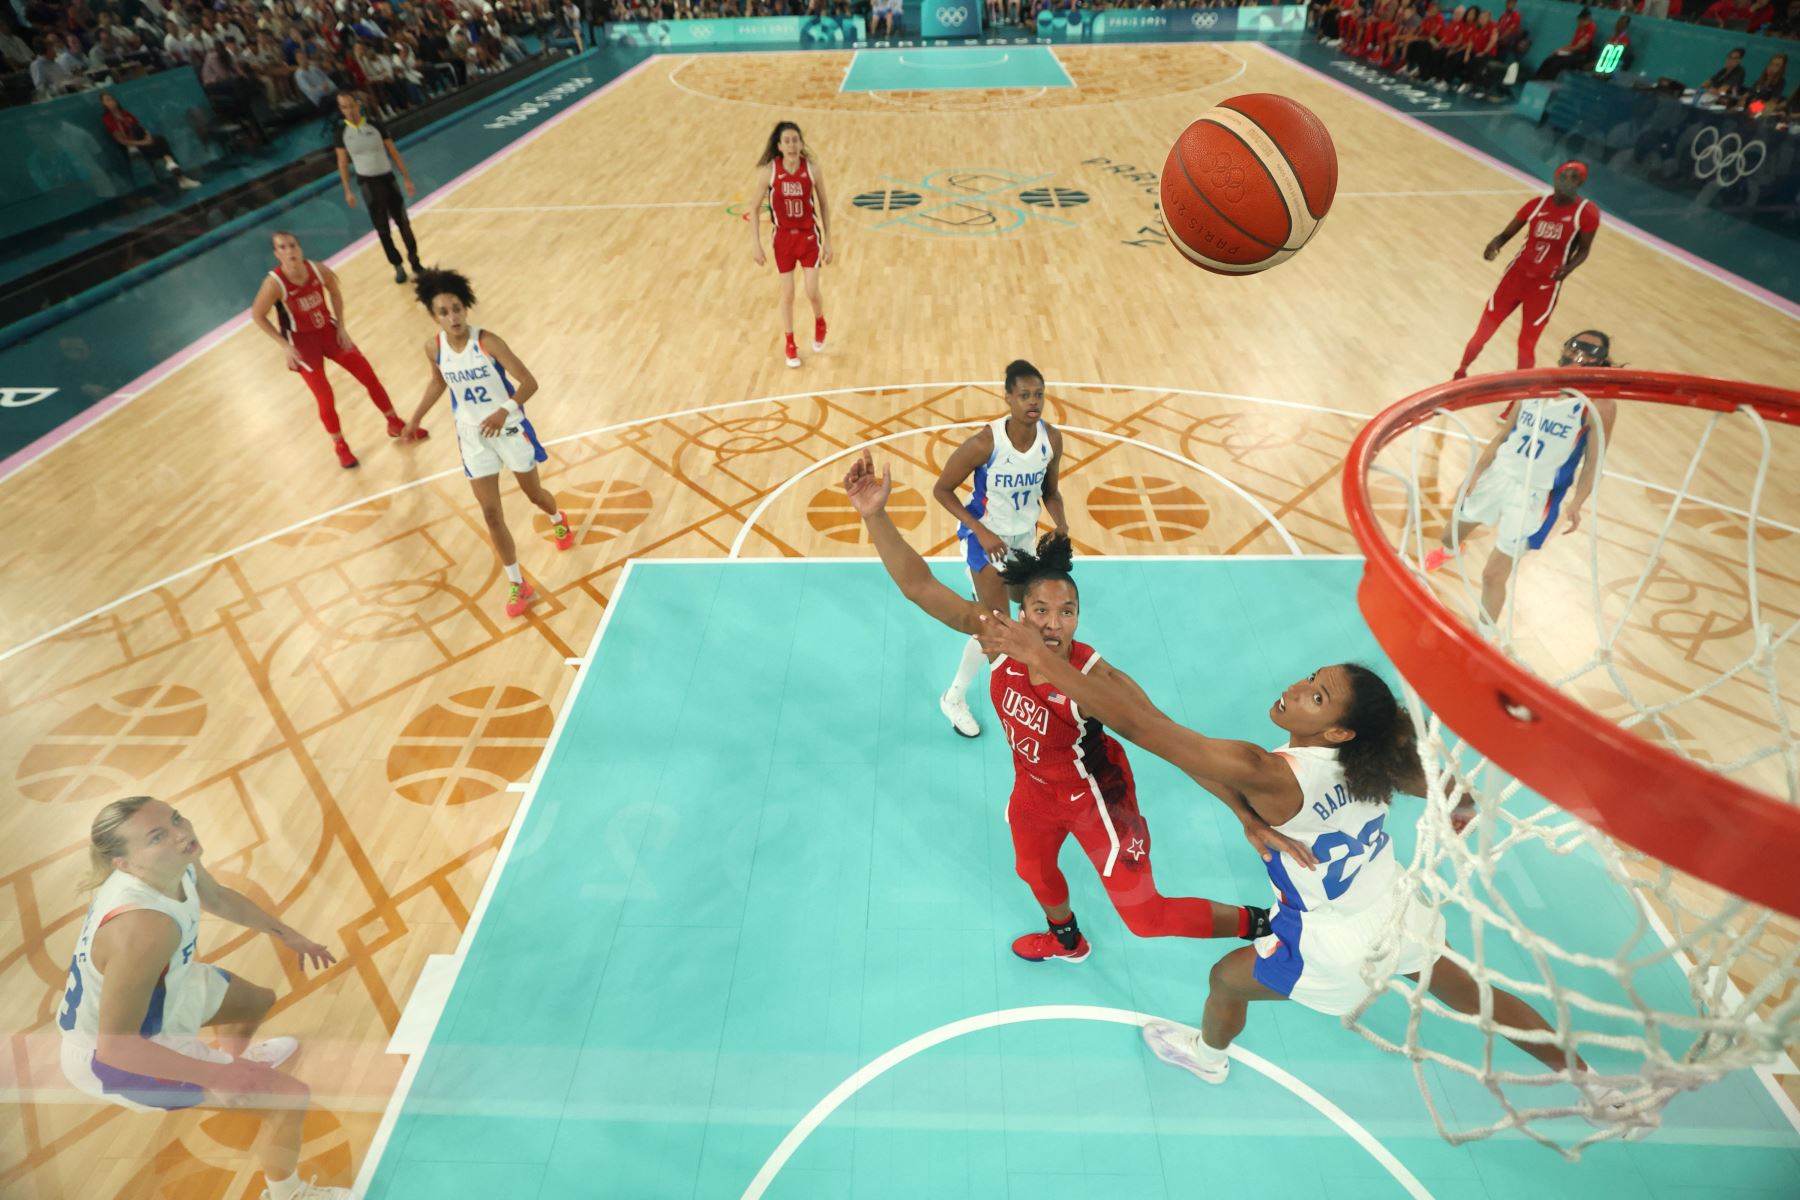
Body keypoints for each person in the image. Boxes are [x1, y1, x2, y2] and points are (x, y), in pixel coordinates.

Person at [970, 617, 1655, 1135]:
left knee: (1224, 981)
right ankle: (1594, 1085)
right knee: (1476, 996)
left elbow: (1149, 731)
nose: (1298, 690)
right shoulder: (1381, 762)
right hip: (1393, 908)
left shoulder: (1271, 773)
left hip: (1330, 942)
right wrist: (1462, 802)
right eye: (1311, 679)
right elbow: (1449, 791)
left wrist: (1038, 658)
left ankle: (1208, 1057)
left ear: (1334, 733)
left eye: (1317, 696)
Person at [844, 449, 1277, 963]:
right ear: (1020, 612)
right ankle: (1067, 941)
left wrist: (1245, 814)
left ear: (1078, 617)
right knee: (1033, 871)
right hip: (1033, 790)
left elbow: (1183, 748)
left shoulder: (1101, 682)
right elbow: (918, 586)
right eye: (1042, 610)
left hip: (1097, 797)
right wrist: (875, 516)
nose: (1053, 623)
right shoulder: (997, 636)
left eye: (1067, 612)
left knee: (1146, 919)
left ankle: (1267, 922)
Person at [56, 796, 356, 1200]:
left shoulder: (177, 861)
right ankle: (288, 1194)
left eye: (176, 819)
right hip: (117, 1056)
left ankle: (235, 1068)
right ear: (124, 864)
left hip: (169, 989)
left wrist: (289, 936)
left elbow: (218, 897)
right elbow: (116, 1047)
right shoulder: (143, 928)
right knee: (290, 1098)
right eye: (158, 836)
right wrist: (215, 1076)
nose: (181, 834)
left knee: (255, 1002)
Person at [401, 269, 576, 619]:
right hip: (472, 438)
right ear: (434, 316)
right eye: (444, 312)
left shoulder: (488, 342)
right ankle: (518, 583)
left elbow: (528, 382)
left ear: (466, 308)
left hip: (509, 429)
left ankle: (558, 516)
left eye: (457, 309)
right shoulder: (433, 348)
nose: (452, 317)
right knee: (491, 513)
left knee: (534, 495)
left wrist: (503, 410)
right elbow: (438, 384)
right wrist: (415, 417)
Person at [1427, 332, 1619, 622]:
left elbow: (1594, 462)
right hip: (1498, 475)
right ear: (1565, 347)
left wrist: (1577, 503)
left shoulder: (1600, 406)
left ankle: (1485, 637)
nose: (1580, 353)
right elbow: (1504, 434)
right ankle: (1451, 549)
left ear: (1601, 360)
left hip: (1536, 495)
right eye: (1576, 345)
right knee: (1447, 535)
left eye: (1591, 350)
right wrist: (1477, 471)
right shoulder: (1535, 384)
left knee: (1493, 576)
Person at [932, 360, 1068, 738]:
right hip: (984, 541)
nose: (1033, 402)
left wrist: (1062, 526)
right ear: (1007, 397)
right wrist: (981, 530)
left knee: (1022, 619)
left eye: (1039, 394)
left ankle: (1021, 684)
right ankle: (955, 697)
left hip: (1024, 539)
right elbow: (942, 489)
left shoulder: (1051, 440)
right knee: (995, 624)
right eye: (1024, 395)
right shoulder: (985, 443)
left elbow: (1050, 493)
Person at [251, 230, 420, 470]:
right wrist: (285, 345)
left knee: (368, 375)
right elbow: (257, 316)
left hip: (328, 332)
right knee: (325, 398)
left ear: (300, 248)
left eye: (292, 245)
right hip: (302, 344)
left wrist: (341, 326)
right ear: (276, 253)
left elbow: (336, 293)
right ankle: (340, 446)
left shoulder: (319, 270)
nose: (289, 251)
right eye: (283, 247)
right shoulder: (273, 284)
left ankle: (394, 422)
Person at [1451, 162, 1600, 380]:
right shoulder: (1536, 206)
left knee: (1526, 344)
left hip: (1544, 286)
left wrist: (1569, 269)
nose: (1567, 181)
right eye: (1564, 176)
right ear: (1556, 177)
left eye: (1573, 177)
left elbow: (1584, 250)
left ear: (1580, 183)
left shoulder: (1586, 213)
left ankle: (1518, 398)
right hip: (1515, 277)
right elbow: (1505, 234)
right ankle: (1460, 372)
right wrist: (1495, 243)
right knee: (1482, 334)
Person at [750, 121, 833, 370]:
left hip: (808, 236)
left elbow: (825, 206)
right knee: (787, 293)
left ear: (800, 143)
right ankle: (790, 342)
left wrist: (828, 241)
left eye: (795, 140)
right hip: (783, 239)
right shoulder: (769, 172)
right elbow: (753, 209)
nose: (792, 145)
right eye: (786, 141)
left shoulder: (812, 170)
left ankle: (820, 321)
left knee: (810, 290)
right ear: (779, 146)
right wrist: (756, 244)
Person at [335, 91, 425, 284]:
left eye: (350, 105)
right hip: (368, 184)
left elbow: (393, 151)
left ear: (357, 104)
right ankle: (398, 266)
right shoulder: (340, 133)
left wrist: (406, 178)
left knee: (403, 222)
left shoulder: (376, 125)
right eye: (344, 107)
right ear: (340, 110)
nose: (348, 110)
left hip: (388, 179)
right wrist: (347, 190)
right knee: (382, 229)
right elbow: (342, 163)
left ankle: (415, 261)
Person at [99, 90, 200, 188]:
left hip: (143, 141)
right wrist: (142, 142)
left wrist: (148, 137)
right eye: (107, 100)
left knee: (160, 141)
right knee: (161, 144)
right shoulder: (108, 119)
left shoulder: (125, 114)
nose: (111, 102)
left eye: (111, 99)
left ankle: (177, 172)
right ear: (104, 104)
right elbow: (121, 140)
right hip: (132, 146)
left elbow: (139, 128)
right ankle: (177, 173)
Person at [1532, 4, 1596, 80]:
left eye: (1580, 22)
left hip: (1581, 55)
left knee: (1558, 62)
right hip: (1573, 52)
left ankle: (1548, 81)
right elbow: (1571, 44)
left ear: (1586, 19)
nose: (1579, 24)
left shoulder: (1591, 27)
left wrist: (1561, 51)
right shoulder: (1580, 28)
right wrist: (1559, 49)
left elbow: (1577, 47)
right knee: (1550, 59)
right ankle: (1537, 78)